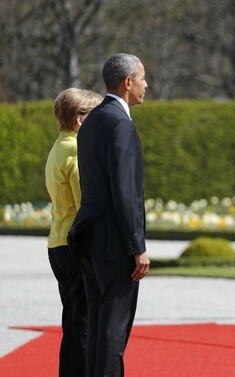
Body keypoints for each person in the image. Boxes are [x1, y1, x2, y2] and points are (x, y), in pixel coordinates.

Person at [68, 53, 150, 376]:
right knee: (113, 333)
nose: (147, 85)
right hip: (114, 243)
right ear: (128, 83)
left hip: (89, 239)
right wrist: (137, 246)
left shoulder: (92, 122)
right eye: (143, 78)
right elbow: (125, 191)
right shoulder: (120, 124)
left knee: (100, 329)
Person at [45, 88, 103, 376]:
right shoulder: (76, 150)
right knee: (82, 323)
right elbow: (86, 203)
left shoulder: (58, 146)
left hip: (57, 242)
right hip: (74, 244)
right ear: (80, 120)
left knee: (72, 320)